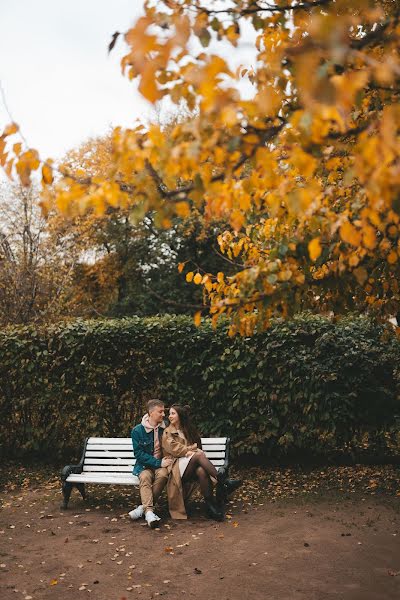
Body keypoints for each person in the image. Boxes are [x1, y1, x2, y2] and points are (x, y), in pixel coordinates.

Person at [163, 404, 239, 521]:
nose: (170, 416)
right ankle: (224, 482)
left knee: (201, 471)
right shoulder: (168, 431)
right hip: (176, 466)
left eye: (173, 413)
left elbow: (198, 447)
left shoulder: (189, 430)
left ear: (180, 416)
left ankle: (210, 507)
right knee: (198, 454)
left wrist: (192, 450)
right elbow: (173, 448)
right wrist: (189, 450)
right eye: (170, 414)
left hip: (191, 465)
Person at [129, 399, 173, 528]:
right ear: (151, 413)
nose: (163, 414)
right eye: (160, 412)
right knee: (144, 477)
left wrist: (162, 463)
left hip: (161, 466)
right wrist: (158, 462)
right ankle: (149, 512)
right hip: (145, 466)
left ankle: (143, 509)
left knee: (163, 475)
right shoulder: (137, 431)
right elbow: (139, 454)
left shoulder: (165, 428)